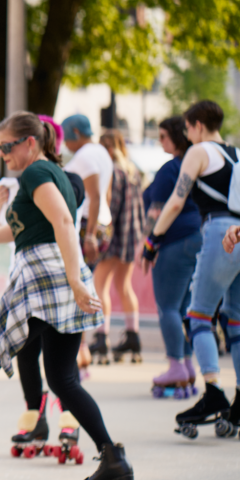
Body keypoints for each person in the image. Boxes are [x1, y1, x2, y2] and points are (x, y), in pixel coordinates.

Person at [0, 111, 136, 480]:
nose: (3, 155)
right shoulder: (51, 173)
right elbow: (24, 227)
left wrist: (78, 281)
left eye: (7, 147)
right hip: (58, 275)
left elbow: (63, 220)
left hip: (42, 279)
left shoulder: (34, 174)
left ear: (30, 142)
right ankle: (113, 460)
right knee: (62, 379)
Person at [153, 101, 240, 435]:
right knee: (236, 321)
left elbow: (177, 200)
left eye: (187, 128)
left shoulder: (199, 151)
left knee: (198, 316)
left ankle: (213, 393)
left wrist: (153, 238)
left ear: (195, 125)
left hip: (220, 234)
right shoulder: (239, 154)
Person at [140, 117, 201, 397]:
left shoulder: (169, 169)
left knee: (168, 307)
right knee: (186, 307)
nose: (160, 141)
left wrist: (150, 244)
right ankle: (187, 365)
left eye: (163, 136)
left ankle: (175, 364)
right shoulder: (198, 163)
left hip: (173, 240)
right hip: (198, 237)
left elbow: (157, 209)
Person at [61, 114, 114, 363]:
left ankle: (79, 350)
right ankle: (81, 347)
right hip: (101, 224)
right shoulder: (102, 152)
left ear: (74, 131)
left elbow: (92, 196)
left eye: (65, 135)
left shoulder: (85, 156)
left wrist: (90, 235)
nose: (64, 142)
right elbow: (107, 195)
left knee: (77, 287)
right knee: (85, 284)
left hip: (86, 227)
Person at [95, 129, 147, 363]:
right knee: (124, 286)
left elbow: (110, 206)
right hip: (131, 235)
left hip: (113, 236)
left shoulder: (112, 172)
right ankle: (133, 336)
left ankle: (101, 337)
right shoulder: (133, 170)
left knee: (100, 287)